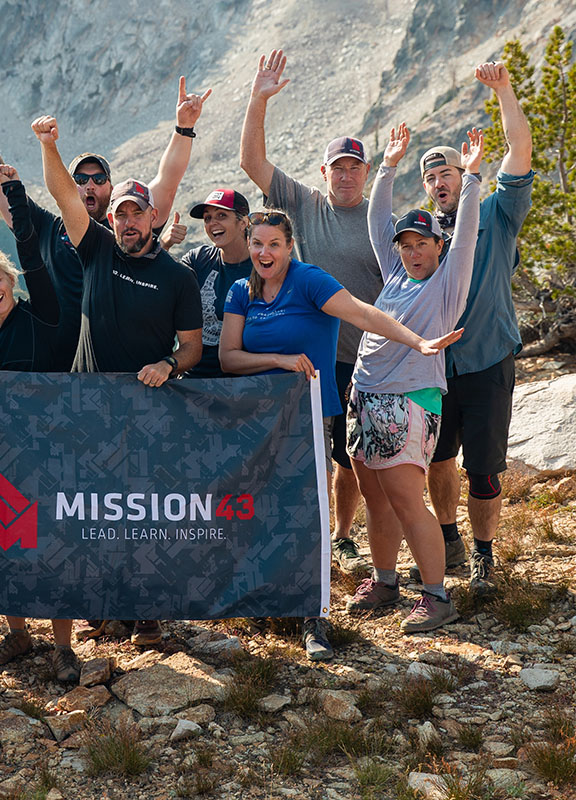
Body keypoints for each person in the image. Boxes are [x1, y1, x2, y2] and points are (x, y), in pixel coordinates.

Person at [218, 209, 461, 658]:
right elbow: (229, 357)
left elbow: (362, 313)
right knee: (263, 508)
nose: (264, 253)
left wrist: (417, 342)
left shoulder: (309, 280)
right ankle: (273, 596)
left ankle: (315, 616)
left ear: (290, 246)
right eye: (257, 244)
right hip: (255, 419)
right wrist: (279, 360)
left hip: (309, 415)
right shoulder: (240, 290)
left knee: (308, 513)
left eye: (274, 244)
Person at [35, 113, 203, 646]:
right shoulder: (97, 249)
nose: (128, 222)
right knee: (88, 509)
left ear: (154, 216)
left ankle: (147, 611)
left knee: (142, 510)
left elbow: (194, 346)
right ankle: (102, 608)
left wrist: (169, 365)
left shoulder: (178, 277)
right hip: (87, 403)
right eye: (121, 213)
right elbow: (63, 194)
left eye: (137, 213)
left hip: (147, 408)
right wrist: (49, 146)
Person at [0, 72, 208, 368]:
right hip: (54, 367)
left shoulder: (122, 234)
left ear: (111, 188)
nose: (90, 185)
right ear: (68, 186)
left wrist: (184, 128)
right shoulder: (47, 229)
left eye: (99, 178)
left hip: (114, 374)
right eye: (80, 179)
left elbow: (167, 182)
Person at [239, 49, 381, 579]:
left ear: (365, 173)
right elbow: (252, 163)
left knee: (357, 458)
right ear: (324, 172)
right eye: (337, 167)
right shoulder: (303, 204)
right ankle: (314, 543)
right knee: (315, 456)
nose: (345, 176)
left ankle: (345, 536)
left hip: (368, 357)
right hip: (315, 359)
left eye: (354, 167)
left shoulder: (379, 215)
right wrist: (259, 100)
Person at [345, 124, 482, 633]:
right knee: (375, 497)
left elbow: (466, 231)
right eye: (405, 243)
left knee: (406, 498)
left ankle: (436, 593)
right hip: (366, 395)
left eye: (421, 242)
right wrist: (388, 165)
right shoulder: (397, 272)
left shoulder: (449, 280)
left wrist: (469, 178)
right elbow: (377, 220)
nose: (411, 250)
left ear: (437, 245)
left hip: (410, 400)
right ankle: (385, 580)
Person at [0, 163, 80, 682]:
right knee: (3, 548)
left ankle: (63, 645)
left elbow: (36, 260)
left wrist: (13, 189)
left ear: (10, 279)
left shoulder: (44, 318)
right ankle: (18, 632)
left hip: (48, 454)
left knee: (53, 548)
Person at [420, 62, 534, 597]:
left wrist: (505, 90)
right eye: (430, 179)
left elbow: (519, 149)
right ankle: (449, 539)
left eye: (446, 172)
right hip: (434, 369)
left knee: (485, 470)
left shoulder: (497, 211)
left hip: (488, 361)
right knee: (438, 461)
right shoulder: (420, 238)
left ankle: (485, 557)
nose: (439, 183)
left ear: (465, 173)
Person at [171, 189, 253, 377]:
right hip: (196, 378)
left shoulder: (263, 265)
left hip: (246, 381)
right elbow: (164, 284)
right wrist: (164, 245)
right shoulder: (198, 259)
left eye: (221, 215)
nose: (212, 223)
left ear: (243, 222)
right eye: (207, 218)